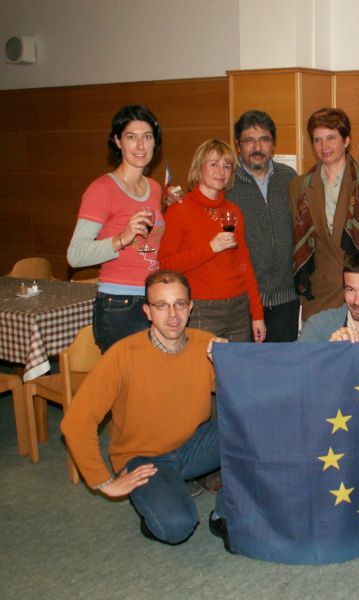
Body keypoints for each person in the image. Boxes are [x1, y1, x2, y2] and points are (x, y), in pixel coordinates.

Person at [61, 269, 232, 550]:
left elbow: (242, 398)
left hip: (191, 446)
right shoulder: (123, 354)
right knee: (178, 527)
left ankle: (225, 512)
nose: (173, 315)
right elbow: (76, 421)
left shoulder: (206, 345)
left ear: (190, 307)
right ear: (147, 312)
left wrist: (227, 364)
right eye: (162, 305)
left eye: (179, 304)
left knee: (250, 427)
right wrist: (103, 483)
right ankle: (157, 497)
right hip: (144, 457)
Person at [290, 107, 359, 321]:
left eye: (331, 138)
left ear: (346, 141)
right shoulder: (299, 187)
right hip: (320, 297)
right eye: (317, 140)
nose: (324, 146)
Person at [67, 104, 165, 353]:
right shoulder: (102, 189)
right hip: (119, 304)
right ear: (118, 141)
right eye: (131, 137)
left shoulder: (154, 188)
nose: (140, 146)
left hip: (154, 299)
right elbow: (75, 255)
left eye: (147, 137)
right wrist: (122, 238)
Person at [160, 139, 266, 343]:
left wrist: (257, 314)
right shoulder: (178, 210)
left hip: (238, 308)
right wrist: (210, 248)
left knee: (237, 364)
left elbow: (244, 265)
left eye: (227, 166)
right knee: (202, 365)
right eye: (214, 164)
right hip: (200, 309)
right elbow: (165, 265)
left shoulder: (233, 211)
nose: (221, 171)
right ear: (198, 168)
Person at [227, 110, 300, 342]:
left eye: (264, 140)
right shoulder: (227, 183)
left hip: (286, 298)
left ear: (273, 144)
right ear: (238, 145)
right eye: (249, 140)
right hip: (243, 300)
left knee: (282, 362)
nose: (257, 147)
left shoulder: (290, 178)